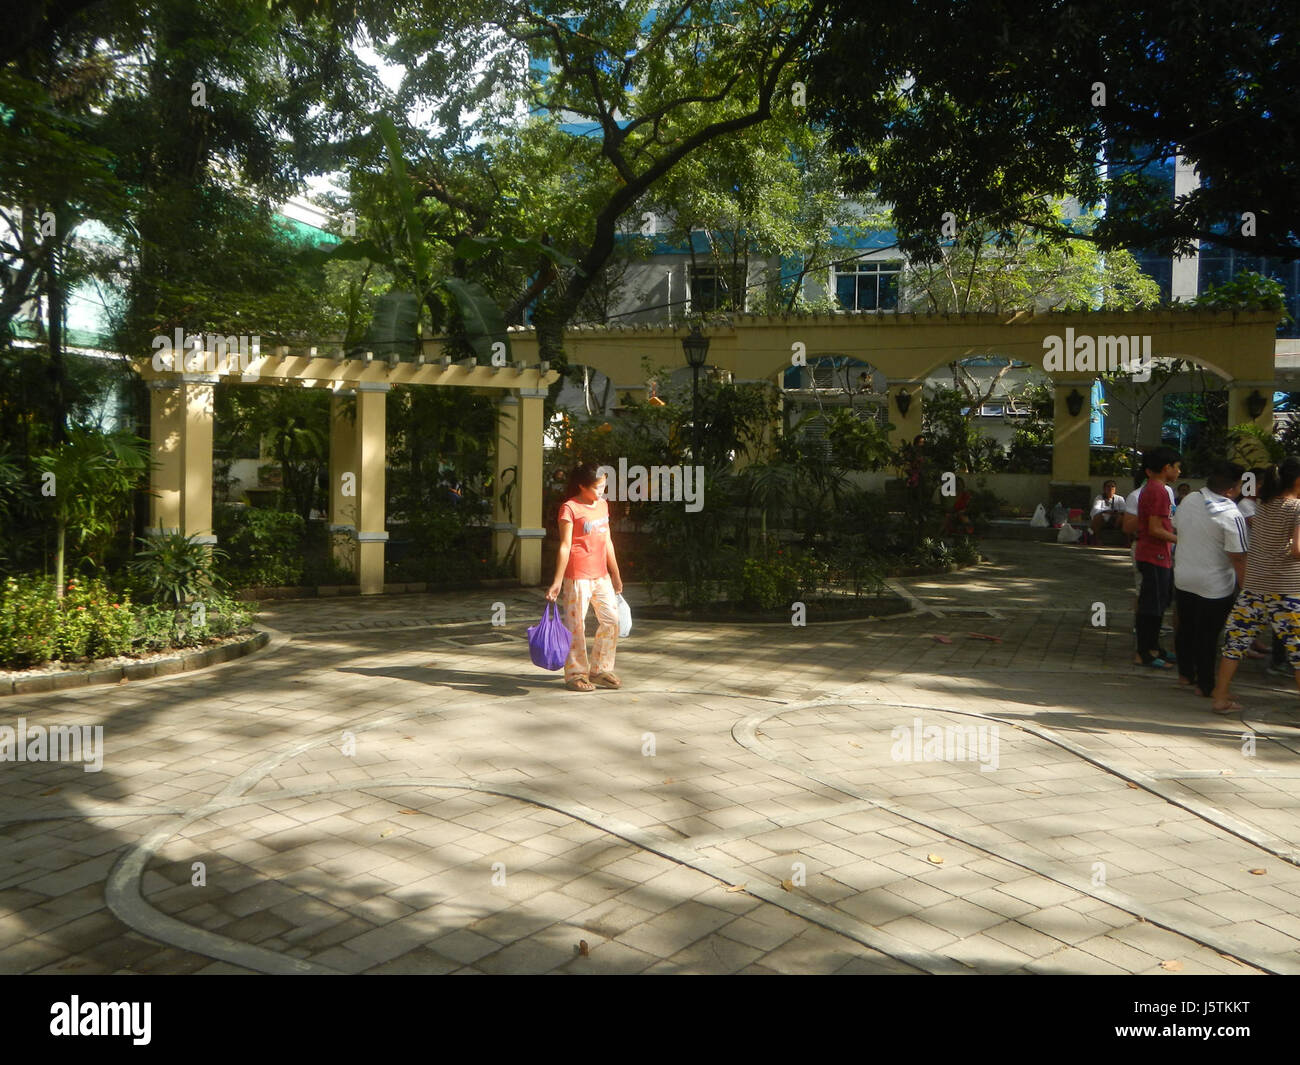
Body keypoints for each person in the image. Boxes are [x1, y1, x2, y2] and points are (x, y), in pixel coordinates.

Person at [1210, 457, 1300, 713]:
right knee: (1298, 652)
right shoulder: (1298, 508)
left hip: (1254, 586)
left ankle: (1220, 697)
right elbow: (1297, 550)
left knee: (1235, 642)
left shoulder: (1262, 505)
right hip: (1287, 589)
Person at [546, 462, 624, 692]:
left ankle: (600, 670)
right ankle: (576, 674)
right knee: (575, 627)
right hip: (577, 576)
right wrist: (557, 581)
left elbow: (607, 541)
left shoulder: (603, 506)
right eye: (597, 487)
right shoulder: (569, 508)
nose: (602, 491)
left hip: (601, 576)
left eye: (604, 486)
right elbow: (564, 546)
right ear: (582, 485)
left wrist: (616, 574)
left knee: (612, 621)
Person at [1172, 463, 1247, 697]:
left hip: (1183, 577)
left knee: (1185, 628)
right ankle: (1205, 685)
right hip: (1214, 585)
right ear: (1232, 489)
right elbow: (1238, 557)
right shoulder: (1232, 514)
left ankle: (1185, 674)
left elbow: (1176, 527)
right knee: (1208, 635)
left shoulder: (1190, 499)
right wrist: (1246, 589)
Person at [1133, 446, 1181, 668]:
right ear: (1166, 468)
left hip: (1157, 555)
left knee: (1159, 604)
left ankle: (1153, 647)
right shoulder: (1158, 491)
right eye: (1177, 467)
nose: (1179, 472)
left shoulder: (1153, 488)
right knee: (1151, 606)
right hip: (1154, 555)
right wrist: (1181, 539)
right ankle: (1145, 652)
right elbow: (1154, 528)